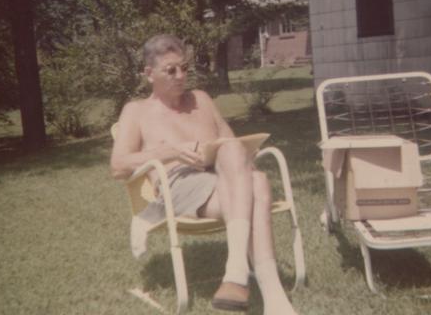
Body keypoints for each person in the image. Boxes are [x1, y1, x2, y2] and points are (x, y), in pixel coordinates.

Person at [110, 34, 298, 315]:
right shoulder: (137, 111)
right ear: (148, 74)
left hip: (222, 181)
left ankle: (240, 275)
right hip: (180, 188)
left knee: (251, 173)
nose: (180, 75)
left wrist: (242, 161)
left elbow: (230, 145)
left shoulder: (201, 100)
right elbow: (118, 166)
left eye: (184, 68)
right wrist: (171, 152)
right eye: (170, 70)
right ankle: (269, 293)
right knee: (256, 187)